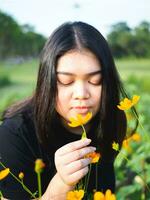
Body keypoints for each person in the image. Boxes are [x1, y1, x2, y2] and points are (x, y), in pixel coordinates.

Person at [0, 21, 127, 200]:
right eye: (66, 81)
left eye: (95, 80)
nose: (81, 94)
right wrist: (61, 185)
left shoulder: (111, 119)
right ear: (47, 82)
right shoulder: (14, 134)